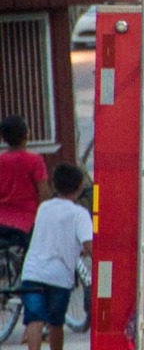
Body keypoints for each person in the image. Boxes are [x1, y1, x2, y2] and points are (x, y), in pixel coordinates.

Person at [19, 163, 92, 350]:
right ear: (80, 186)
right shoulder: (80, 214)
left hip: (32, 272)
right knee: (55, 322)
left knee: (34, 318)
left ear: (54, 185)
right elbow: (88, 244)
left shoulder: (44, 208)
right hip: (59, 277)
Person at [0, 114, 49, 249]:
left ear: (3, 138)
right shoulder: (34, 160)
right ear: (27, 134)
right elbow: (44, 194)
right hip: (27, 222)